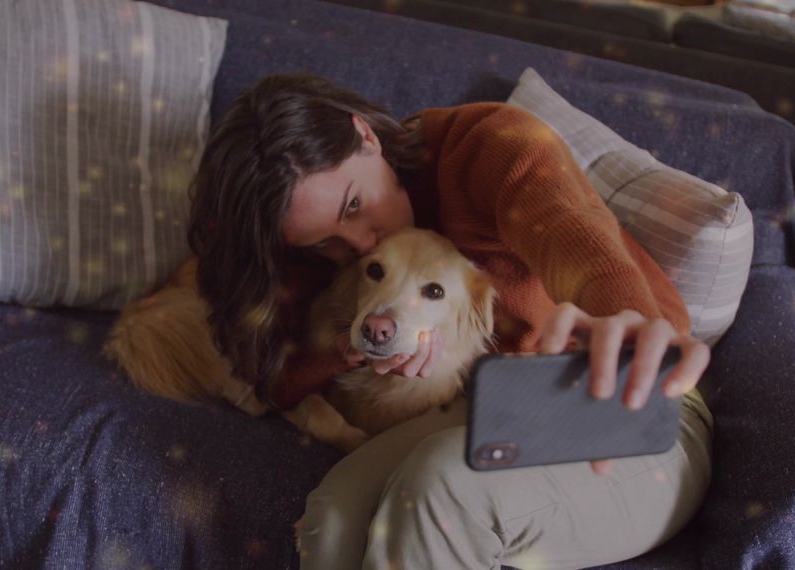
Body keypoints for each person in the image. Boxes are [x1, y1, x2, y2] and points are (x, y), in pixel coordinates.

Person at [187, 73, 714, 569]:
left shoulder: (493, 146)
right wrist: (348, 351)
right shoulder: (311, 225)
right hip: (487, 404)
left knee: (440, 492)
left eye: (354, 205)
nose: (362, 245)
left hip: (638, 405)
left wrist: (629, 323)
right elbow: (277, 378)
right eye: (325, 242)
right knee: (335, 517)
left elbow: (574, 239)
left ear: (365, 136)